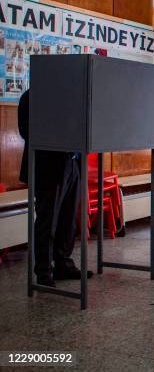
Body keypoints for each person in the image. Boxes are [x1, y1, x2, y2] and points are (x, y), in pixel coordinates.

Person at [18, 90, 92, 287]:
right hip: (47, 166)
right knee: (47, 221)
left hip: (72, 162)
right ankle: (43, 271)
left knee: (68, 220)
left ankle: (63, 264)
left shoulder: (68, 96)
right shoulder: (30, 96)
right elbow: (27, 131)